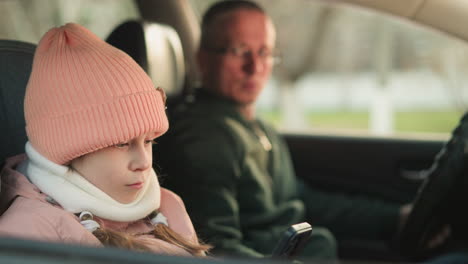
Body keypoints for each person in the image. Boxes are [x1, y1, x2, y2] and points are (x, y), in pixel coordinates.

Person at [156, 0, 405, 260]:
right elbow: (217, 249)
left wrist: (394, 219)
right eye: (239, 50)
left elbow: (299, 201)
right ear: (203, 59)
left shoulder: (256, 126)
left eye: (264, 52)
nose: (254, 67)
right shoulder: (204, 139)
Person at [0, 23, 210, 257]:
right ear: (68, 150)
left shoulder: (167, 206)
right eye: (121, 143)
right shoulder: (30, 233)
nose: (143, 162)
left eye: (149, 141)